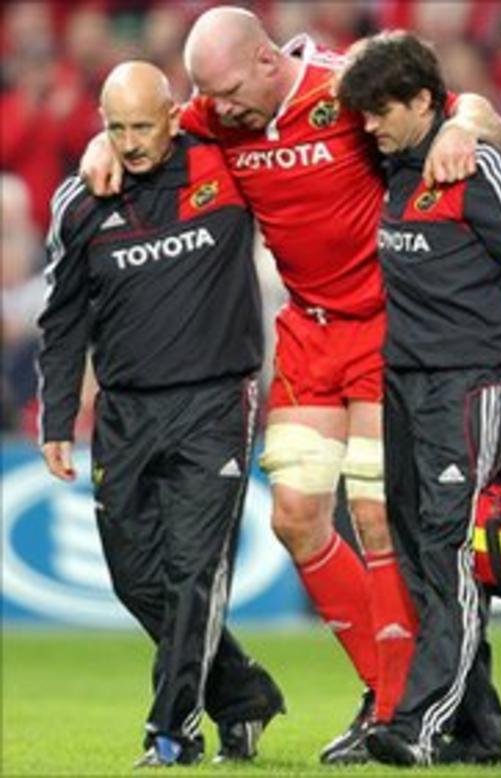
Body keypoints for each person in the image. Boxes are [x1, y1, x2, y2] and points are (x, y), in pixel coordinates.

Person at [80, 6, 501, 763]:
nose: (218, 110)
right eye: (206, 98)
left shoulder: (345, 88)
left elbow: (463, 103)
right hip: (308, 332)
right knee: (298, 519)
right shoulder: (215, 114)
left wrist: (464, 126)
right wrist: (96, 144)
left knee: (375, 517)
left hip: (384, 325)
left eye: (228, 93)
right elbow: (146, 121)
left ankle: (401, 709)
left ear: (267, 62)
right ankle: (388, 695)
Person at [337, 31, 501, 767]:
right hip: (403, 382)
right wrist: (461, 117)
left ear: (423, 101)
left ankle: (414, 725)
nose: (368, 126)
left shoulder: (476, 172)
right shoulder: (394, 166)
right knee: (425, 560)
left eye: (382, 111)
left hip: (470, 384)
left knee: (451, 549)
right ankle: (478, 732)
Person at [37, 61, 284, 769]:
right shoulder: (81, 203)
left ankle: (171, 731)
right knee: (134, 576)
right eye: (116, 128)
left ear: (176, 114)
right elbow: (61, 322)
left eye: (144, 125)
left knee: (193, 573)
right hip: (124, 411)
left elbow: (276, 106)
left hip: (216, 402)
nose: (131, 142)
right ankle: (243, 693)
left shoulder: (228, 168)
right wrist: (58, 419)